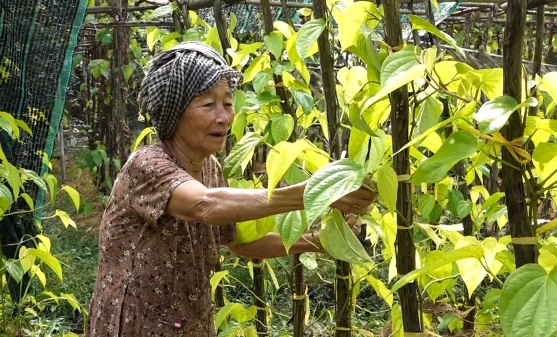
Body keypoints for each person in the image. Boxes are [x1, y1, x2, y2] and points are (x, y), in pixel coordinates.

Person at [86, 42, 377, 337]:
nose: (223, 117)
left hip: (189, 324)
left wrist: (318, 241)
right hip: (135, 325)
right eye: (208, 104)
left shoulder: (210, 167)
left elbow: (238, 242)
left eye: (227, 103)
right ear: (175, 113)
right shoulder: (147, 165)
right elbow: (206, 206)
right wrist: (320, 191)